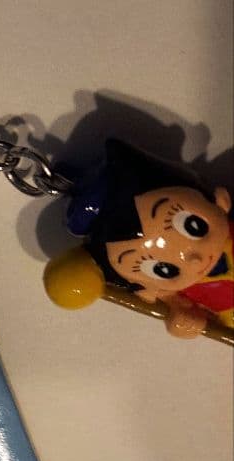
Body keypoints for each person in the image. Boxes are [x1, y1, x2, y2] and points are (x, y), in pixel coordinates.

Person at [67, 140, 232, 338]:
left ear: (221, 200)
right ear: (146, 288)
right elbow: (181, 311)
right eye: (163, 269)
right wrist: (183, 319)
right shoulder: (172, 292)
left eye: (193, 226)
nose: (194, 260)